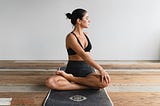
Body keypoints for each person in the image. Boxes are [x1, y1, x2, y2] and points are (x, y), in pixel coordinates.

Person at [45, 8, 111, 90]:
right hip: (72, 69)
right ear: (79, 21)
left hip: (87, 71)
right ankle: (88, 85)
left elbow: (87, 56)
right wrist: (101, 69)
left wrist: (72, 79)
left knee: (105, 82)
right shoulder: (71, 37)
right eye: (86, 18)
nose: (89, 21)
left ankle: (72, 79)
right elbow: (83, 55)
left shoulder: (86, 35)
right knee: (50, 82)